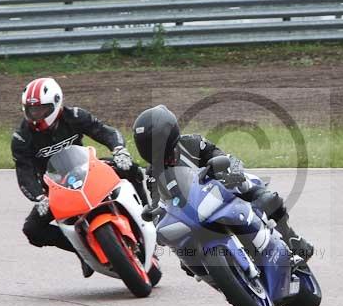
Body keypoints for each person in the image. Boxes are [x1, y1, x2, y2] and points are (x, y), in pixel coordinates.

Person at [132, 104, 314, 263]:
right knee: (184, 254)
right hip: (194, 214)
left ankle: (291, 239)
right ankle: (226, 279)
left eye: (155, 143)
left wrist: (231, 171)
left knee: (266, 199)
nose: (152, 149)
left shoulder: (193, 143)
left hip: (224, 191)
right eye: (147, 145)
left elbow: (222, 156)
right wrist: (155, 216)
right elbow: (158, 205)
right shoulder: (153, 174)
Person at [12, 77, 147, 278]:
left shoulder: (74, 116)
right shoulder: (22, 137)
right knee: (32, 230)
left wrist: (119, 150)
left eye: (41, 109)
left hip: (88, 169)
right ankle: (83, 251)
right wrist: (39, 198)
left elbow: (104, 131)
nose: (36, 115)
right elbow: (24, 173)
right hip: (55, 187)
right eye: (31, 110)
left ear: (56, 103)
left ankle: (148, 213)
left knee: (131, 169)